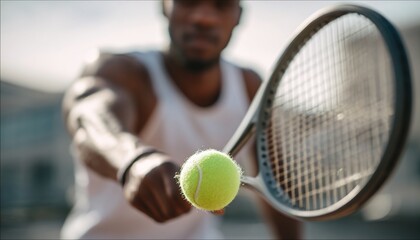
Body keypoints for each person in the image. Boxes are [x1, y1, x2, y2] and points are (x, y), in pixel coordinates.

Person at [61, 0, 302, 239]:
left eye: (221, 4)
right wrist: (134, 161)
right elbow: (89, 120)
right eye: (188, 2)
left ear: (238, 15)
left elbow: (276, 187)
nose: (203, 18)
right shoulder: (122, 71)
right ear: (164, 7)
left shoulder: (249, 87)